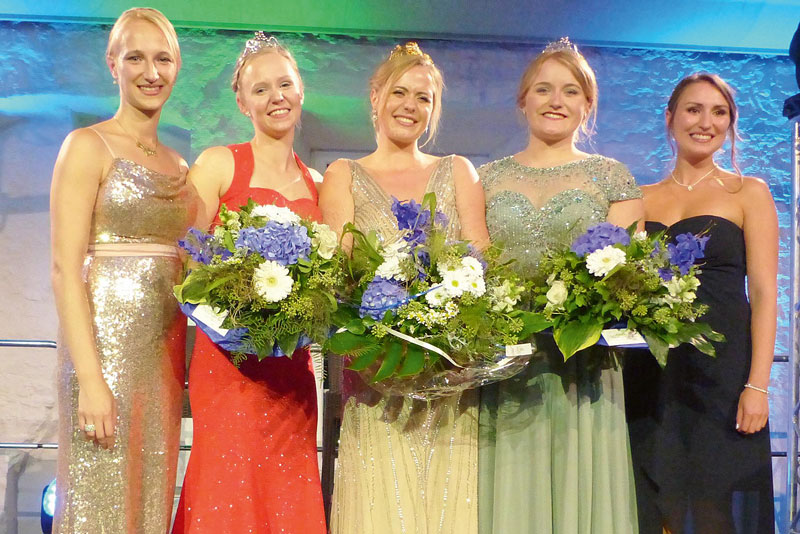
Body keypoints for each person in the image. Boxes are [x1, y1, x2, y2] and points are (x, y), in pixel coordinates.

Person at [320, 41, 489, 534]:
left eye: (424, 98)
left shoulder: (457, 170)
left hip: (452, 381)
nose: (410, 106)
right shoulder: (343, 175)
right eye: (399, 92)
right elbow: (340, 273)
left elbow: (481, 260)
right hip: (376, 379)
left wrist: (454, 318)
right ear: (375, 96)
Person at [477, 38, 643, 534]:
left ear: (587, 105)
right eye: (543, 89)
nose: (556, 101)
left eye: (570, 91)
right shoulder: (484, 178)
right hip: (505, 359)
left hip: (583, 363)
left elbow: (626, 272)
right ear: (522, 100)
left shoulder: (613, 177)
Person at [171, 33, 326, 534]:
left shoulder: (320, 184)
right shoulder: (219, 163)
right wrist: (239, 308)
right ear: (242, 102)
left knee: (285, 495)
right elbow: (187, 261)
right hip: (228, 366)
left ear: (301, 90)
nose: (276, 97)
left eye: (285, 84)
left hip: (291, 375)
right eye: (261, 89)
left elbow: (330, 280)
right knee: (228, 491)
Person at [50, 8, 195, 533]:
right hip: (102, 358)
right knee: (99, 505)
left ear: (177, 67)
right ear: (113, 64)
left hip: (162, 363)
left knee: (148, 502)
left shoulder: (180, 166)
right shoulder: (88, 145)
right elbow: (64, 269)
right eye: (136, 58)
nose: (150, 72)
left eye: (163, 59)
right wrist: (91, 380)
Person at [629, 72, 776, 534]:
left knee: (715, 506)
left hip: (723, 373)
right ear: (670, 118)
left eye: (719, 112)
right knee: (656, 501)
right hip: (653, 369)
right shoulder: (639, 198)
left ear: (730, 123)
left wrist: (757, 386)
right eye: (693, 110)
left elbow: (765, 294)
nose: (705, 122)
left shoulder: (748, 192)